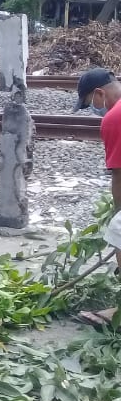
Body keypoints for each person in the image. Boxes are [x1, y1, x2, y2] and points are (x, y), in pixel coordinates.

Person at [73, 67, 121, 329]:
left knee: (118, 228)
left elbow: (119, 175)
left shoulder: (114, 117)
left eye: (90, 102)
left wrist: (116, 212)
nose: (93, 108)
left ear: (100, 93)